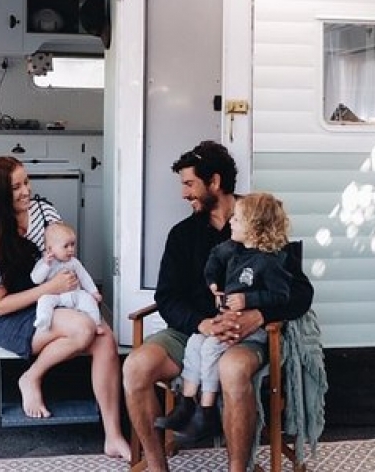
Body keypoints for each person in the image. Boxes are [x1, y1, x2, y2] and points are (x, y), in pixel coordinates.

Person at [122, 141, 314, 472]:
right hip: (193, 332)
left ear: (214, 182)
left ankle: (237, 469)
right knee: (134, 368)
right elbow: (168, 297)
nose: (183, 194)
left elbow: (300, 293)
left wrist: (259, 314)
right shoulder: (183, 234)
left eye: (189, 184)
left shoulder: (257, 221)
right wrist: (202, 324)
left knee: (232, 369)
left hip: (245, 335)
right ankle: (156, 466)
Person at [0, 156, 131, 459]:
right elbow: (0, 306)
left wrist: (68, 287)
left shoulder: (44, 213)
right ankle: (31, 377)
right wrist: (48, 288)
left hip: (53, 302)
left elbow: (64, 257)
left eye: (26, 182)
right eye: (15, 187)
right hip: (11, 317)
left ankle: (113, 436)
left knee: (105, 339)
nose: (25, 191)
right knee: (85, 328)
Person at [154, 192, 294, 443]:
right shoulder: (233, 248)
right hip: (227, 319)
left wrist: (249, 300)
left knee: (208, 347)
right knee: (197, 342)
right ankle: (186, 403)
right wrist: (213, 284)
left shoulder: (270, 261)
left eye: (238, 220)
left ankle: (206, 411)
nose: (231, 222)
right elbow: (213, 260)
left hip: (253, 330)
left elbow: (281, 295)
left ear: (255, 228)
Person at [31, 221, 104, 334]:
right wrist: (46, 266)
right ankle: (44, 320)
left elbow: (84, 277)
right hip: (54, 296)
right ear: (50, 249)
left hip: (74, 294)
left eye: (72, 245)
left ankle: (96, 323)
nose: (71, 249)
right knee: (43, 301)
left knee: (89, 300)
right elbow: (36, 279)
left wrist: (93, 292)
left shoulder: (74, 262)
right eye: (66, 246)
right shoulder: (44, 263)